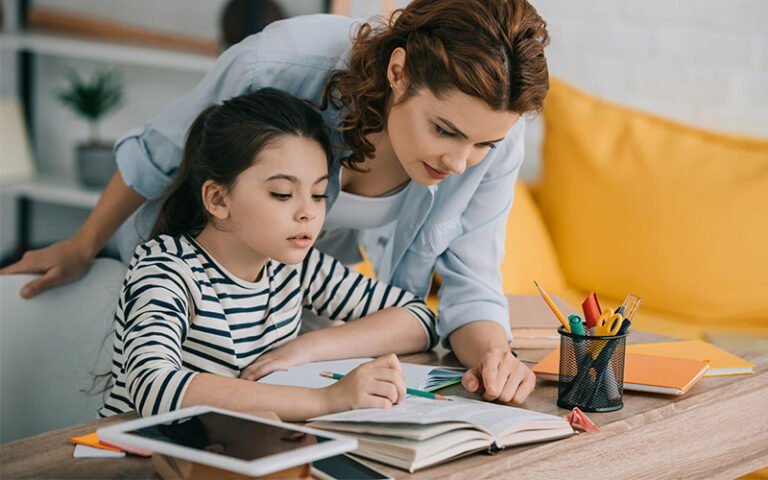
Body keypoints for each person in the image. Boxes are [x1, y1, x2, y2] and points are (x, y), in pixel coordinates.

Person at [3, 0, 550, 405]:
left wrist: (493, 358)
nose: (459, 163)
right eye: (445, 130)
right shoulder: (282, 63)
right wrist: (82, 244)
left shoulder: (298, 261)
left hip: (272, 322)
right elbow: (159, 155)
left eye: (484, 144)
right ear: (399, 71)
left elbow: (459, 288)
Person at [98, 88, 437, 421]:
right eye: (282, 194)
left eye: (318, 194)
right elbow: (153, 387)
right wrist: (327, 400)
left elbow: (419, 318)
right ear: (217, 199)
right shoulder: (166, 268)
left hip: (232, 451)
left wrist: (305, 348)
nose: (308, 213)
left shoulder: (295, 266)